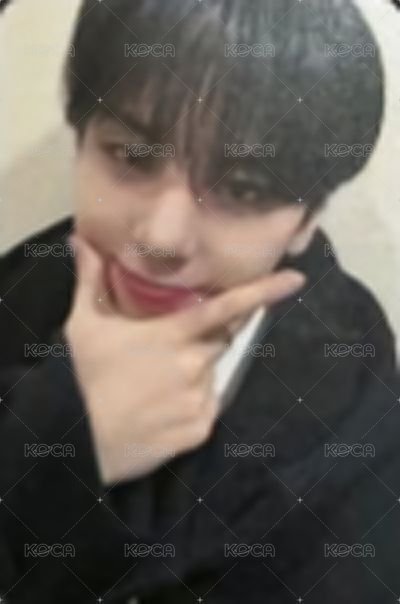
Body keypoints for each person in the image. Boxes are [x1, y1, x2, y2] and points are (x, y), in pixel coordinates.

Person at [1, 0, 399, 601]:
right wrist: (58, 442)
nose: (162, 239)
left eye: (243, 188)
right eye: (132, 157)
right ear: (81, 142)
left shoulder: (359, 419)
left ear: (306, 220)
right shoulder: (20, 288)